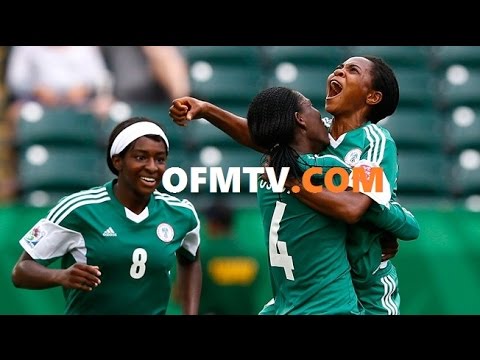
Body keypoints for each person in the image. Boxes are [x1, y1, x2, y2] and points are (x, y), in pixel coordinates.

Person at [169, 55, 419, 315]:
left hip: (367, 287)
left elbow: (354, 208)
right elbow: (261, 134)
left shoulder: (375, 142)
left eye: (352, 70)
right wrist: (206, 110)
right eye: (338, 68)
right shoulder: (316, 133)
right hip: (318, 282)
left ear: (373, 97)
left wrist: (293, 184)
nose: (339, 72)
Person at [11, 117, 202, 315]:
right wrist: (60, 276)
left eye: (160, 159)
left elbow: (191, 260)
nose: (153, 167)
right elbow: (21, 271)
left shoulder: (181, 213)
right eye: (141, 157)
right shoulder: (78, 209)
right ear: (117, 160)